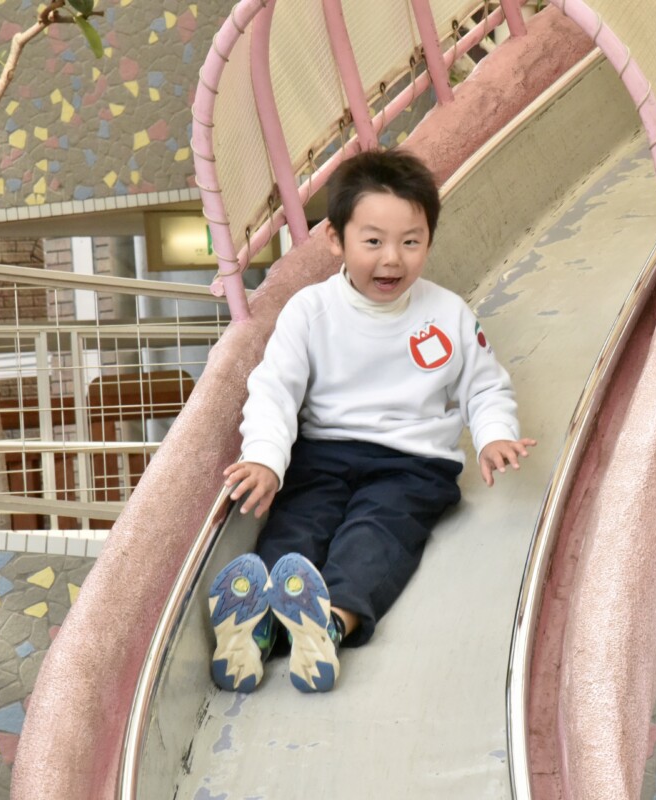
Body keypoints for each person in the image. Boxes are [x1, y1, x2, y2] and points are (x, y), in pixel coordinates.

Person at [207, 149, 536, 694]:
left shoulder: (447, 314)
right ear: (335, 238)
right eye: (374, 241)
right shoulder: (310, 311)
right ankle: (258, 627)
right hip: (323, 455)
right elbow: (275, 391)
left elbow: (483, 385)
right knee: (297, 528)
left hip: (412, 466)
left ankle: (330, 624)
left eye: (411, 242)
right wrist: (264, 458)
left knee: (377, 535)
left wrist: (494, 434)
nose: (392, 260)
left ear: (429, 240)